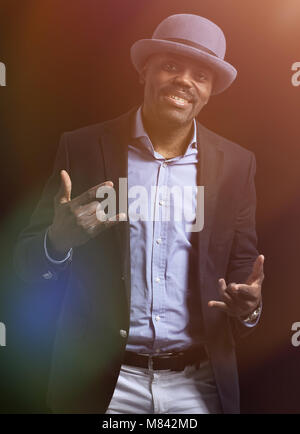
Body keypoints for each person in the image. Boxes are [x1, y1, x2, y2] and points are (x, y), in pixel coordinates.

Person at [14, 14, 264, 414]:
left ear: (210, 90)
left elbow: (241, 271)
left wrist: (249, 309)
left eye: (201, 75)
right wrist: (57, 240)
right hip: (104, 387)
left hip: (197, 387)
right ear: (144, 70)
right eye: (170, 66)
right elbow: (27, 263)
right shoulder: (82, 149)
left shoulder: (237, 164)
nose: (185, 80)